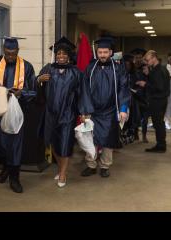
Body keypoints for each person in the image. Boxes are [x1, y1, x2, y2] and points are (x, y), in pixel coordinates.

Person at [0, 36, 36, 193]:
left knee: (14, 146)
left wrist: (22, 93)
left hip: (16, 112)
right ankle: (6, 167)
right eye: (7, 53)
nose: (10, 57)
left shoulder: (26, 67)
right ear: (3, 51)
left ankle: (14, 178)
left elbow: (34, 90)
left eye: (13, 53)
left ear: (18, 51)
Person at [79, 37, 130, 178]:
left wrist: (123, 109)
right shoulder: (91, 67)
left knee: (108, 140)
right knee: (91, 139)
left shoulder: (118, 68)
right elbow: (84, 90)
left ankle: (105, 166)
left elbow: (123, 89)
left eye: (105, 52)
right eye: (100, 52)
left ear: (111, 52)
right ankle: (91, 165)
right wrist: (85, 110)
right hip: (93, 111)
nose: (102, 55)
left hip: (110, 110)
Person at [37, 37, 83, 188]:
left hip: (68, 114)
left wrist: (83, 112)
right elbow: (35, 83)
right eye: (58, 54)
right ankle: (61, 167)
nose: (61, 56)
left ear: (69, 56)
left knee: (65, 144)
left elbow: (82, 93)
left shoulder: (76, 72)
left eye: (64, 54)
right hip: (50, 113)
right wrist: (39, 79)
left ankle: (63, 173)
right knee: (53, 143)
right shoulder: (48, 69)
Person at [141, 50, 170, 153]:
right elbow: (157, 84)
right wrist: (149, 75)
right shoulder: (161, 69)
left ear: (154, 58)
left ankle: (161, 145)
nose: (147, 62)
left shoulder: (158, 71)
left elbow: (159, 87)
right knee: (159, 123)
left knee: (158, 123)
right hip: (161, 100)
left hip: (158, 100)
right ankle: (161, 144)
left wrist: (145, 84)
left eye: (148, 60)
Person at [131, 48, 149, 143]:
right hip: (134, 97)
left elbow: (150, 81)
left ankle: (144, 135)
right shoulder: (131, 69)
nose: (138, 59)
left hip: (144, 96)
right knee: (135, 116)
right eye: (136, 57)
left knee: (145, 118)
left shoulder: (146, 68)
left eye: (139, 57)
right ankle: (135, 134)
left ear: (142, 58)